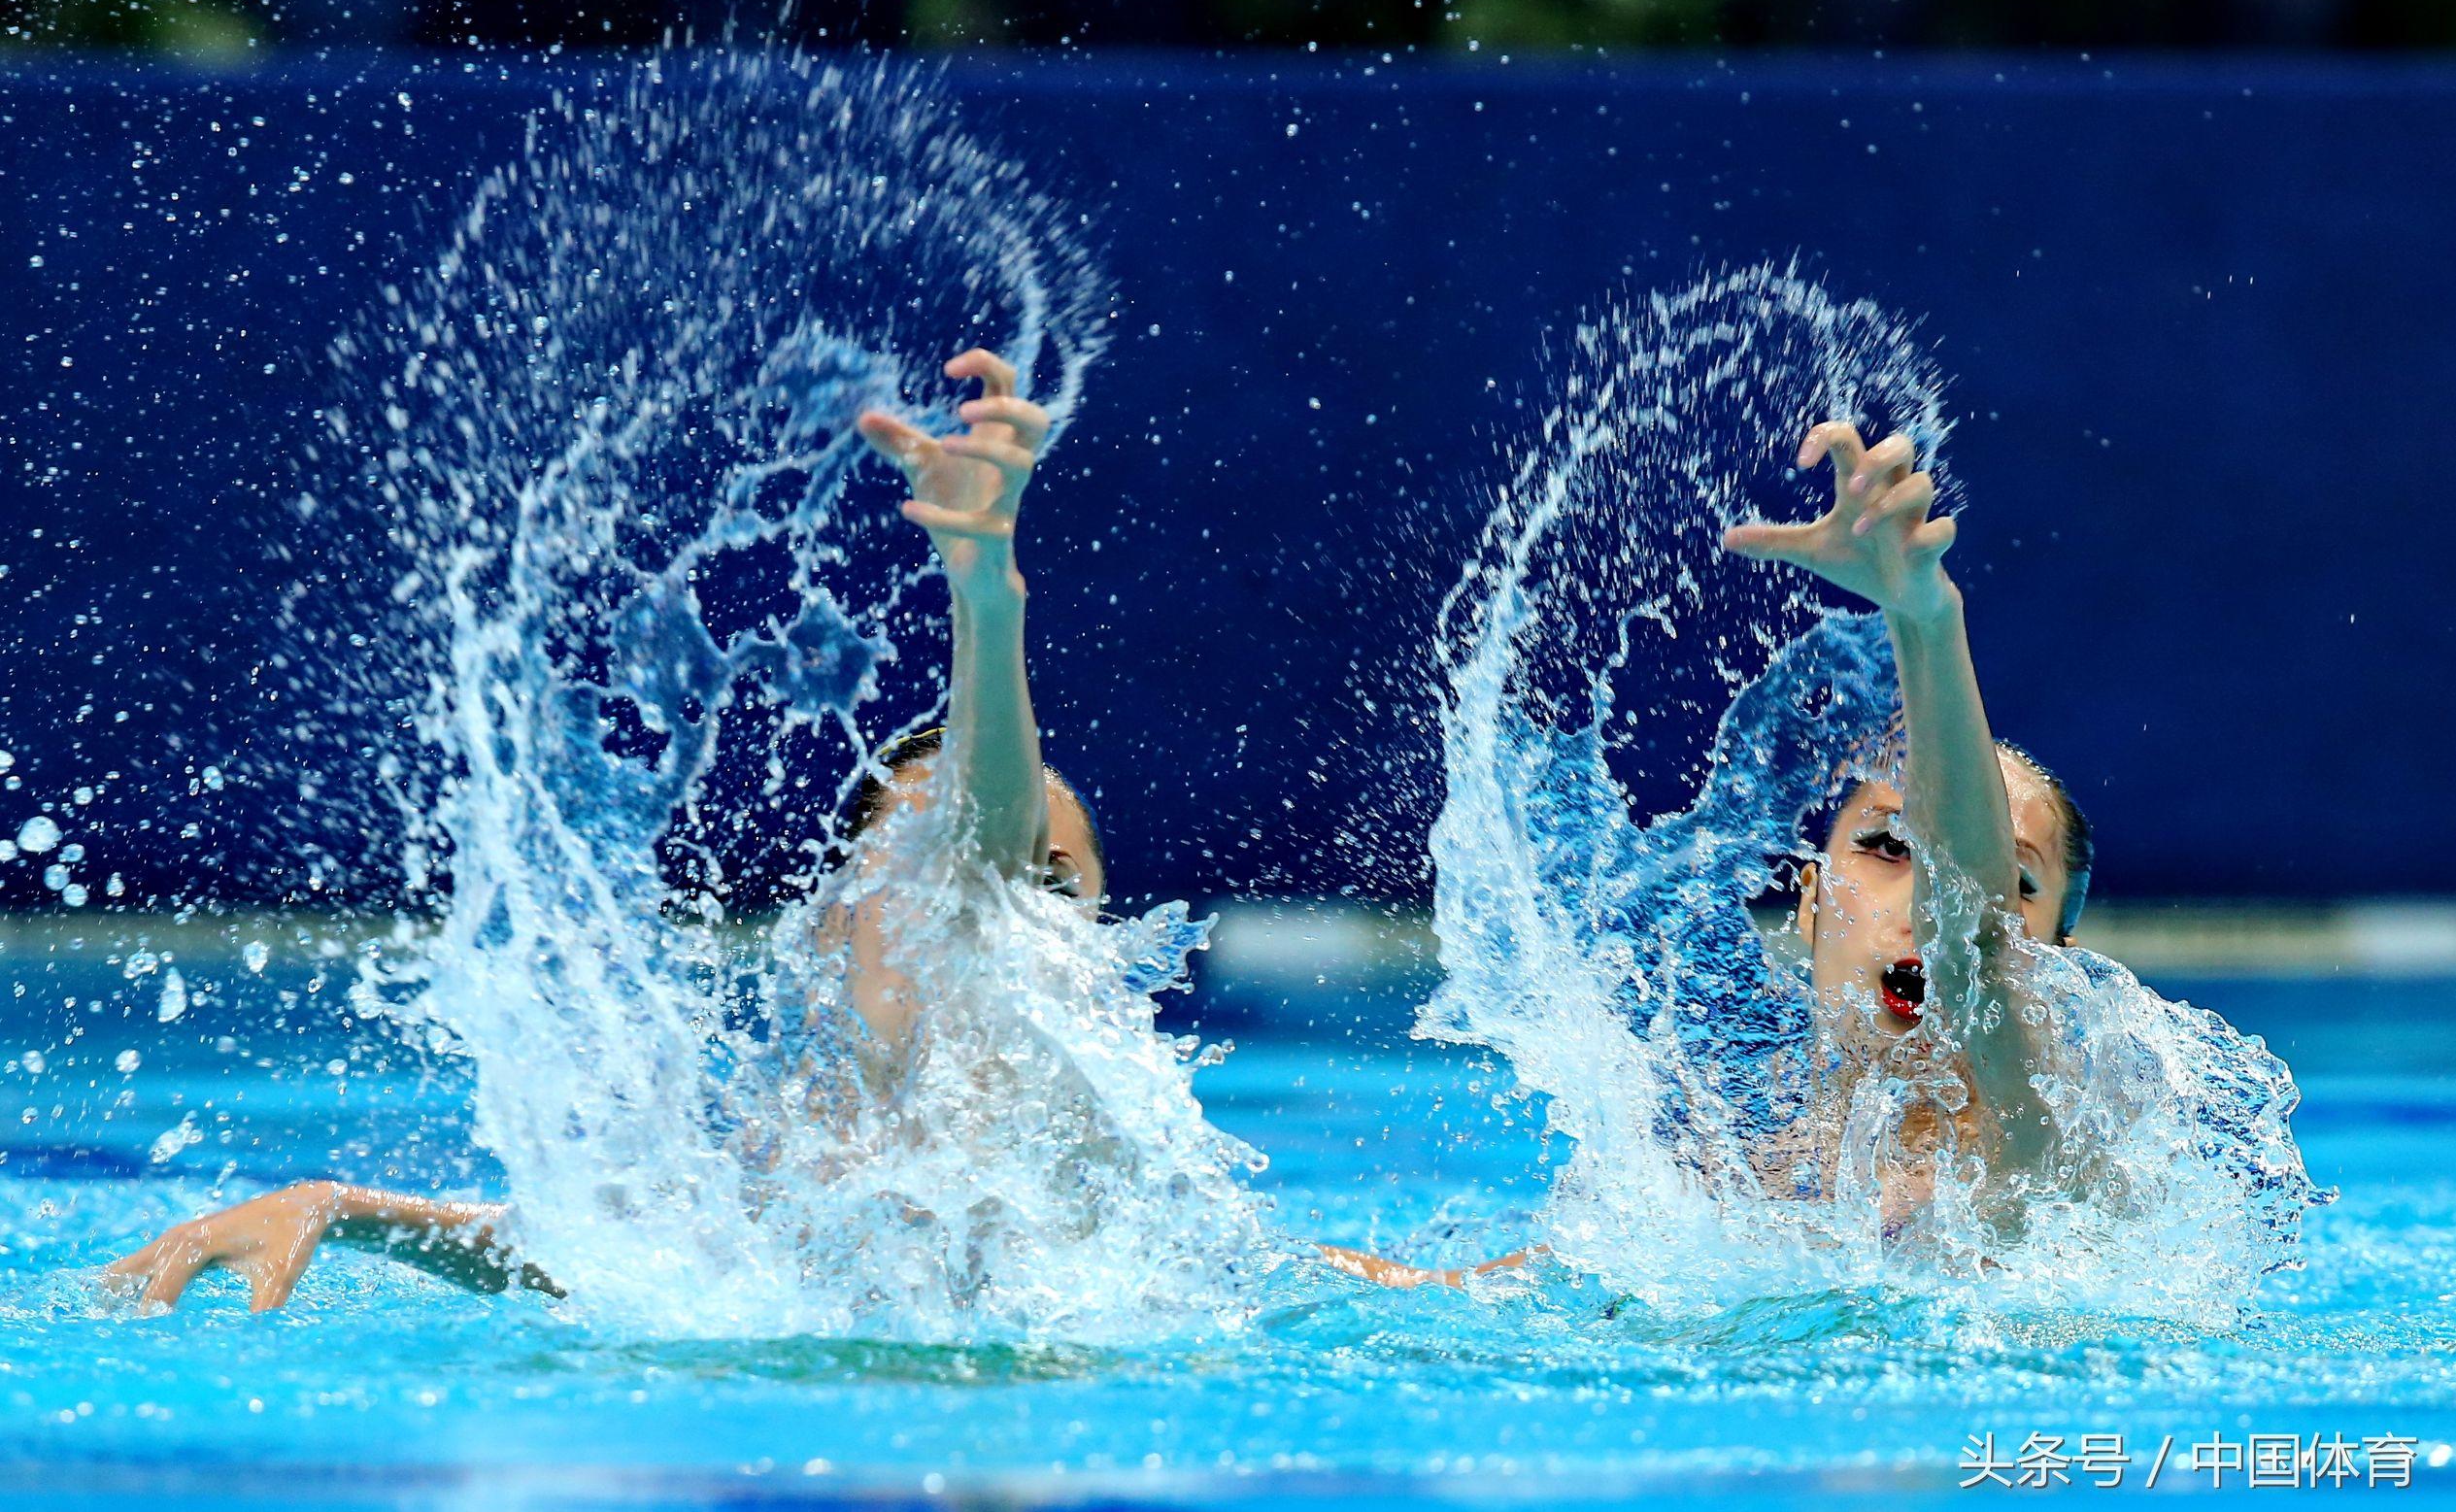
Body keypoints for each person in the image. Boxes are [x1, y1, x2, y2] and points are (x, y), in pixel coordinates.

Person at [101, 348, 1107, 1315]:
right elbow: (617, 1270)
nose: (996, 897)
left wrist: (988, 600)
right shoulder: (796, 1157)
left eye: (1046, 882)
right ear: (835, 922)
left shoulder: (1090, 1155)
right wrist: (338, 1207)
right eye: (938, 871)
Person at [1329, 420, 2098, 1286]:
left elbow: (1973, 947)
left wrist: (1922, 616)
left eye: (2016, 878)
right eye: (1885, 847)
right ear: (1810, 904)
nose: (1920, 900)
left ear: (2053, 961)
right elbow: (1453, 1305)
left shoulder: (2049, 1140)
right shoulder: (1728, 1178)